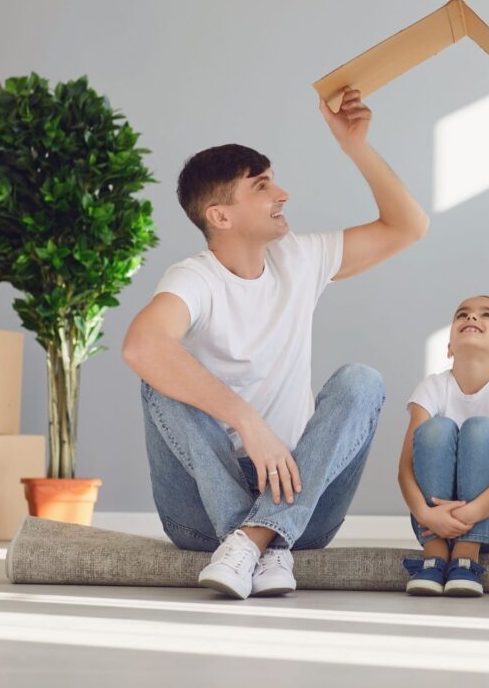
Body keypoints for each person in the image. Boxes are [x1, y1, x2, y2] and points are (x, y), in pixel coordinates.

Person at [122, 88, 429, 600]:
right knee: (158, 382)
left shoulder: (299, 258)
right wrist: (247, 420)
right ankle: (261, 540)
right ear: (220, 216)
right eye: (262, 186)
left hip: (299, 497)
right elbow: (141, 347)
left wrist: (355, 145)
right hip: (199, 510)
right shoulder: (194, 278)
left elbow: (408, 226)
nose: (281, 193)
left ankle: (254, 540)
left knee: (362, 381)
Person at [398, 296, 489, 597]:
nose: (471, 318)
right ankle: (434, 557)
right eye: (462, 314)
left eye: (485, 315)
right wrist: (426, 515)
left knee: (479, 428)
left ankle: (467, 554)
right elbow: (406, 471)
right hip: (432, 523)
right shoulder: (432, 387)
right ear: (450, 347)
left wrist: (471, 514)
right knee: (435, 429)